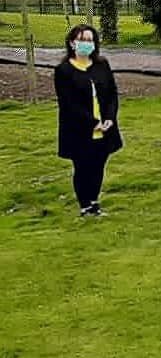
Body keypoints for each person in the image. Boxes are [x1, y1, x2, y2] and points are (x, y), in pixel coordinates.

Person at [53, 25, 123, 217]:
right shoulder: (64, 70)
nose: (86, 44)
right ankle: (84, 205)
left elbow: (112, 94)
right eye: (82, 39)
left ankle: (94, 201)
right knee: (83, 166)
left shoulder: (102, 65)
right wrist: (92, 122)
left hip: (105, 126)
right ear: (72, 42)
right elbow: (69, 104)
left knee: (99, 164)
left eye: (90, 40)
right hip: (80, 128)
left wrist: (109, 118)